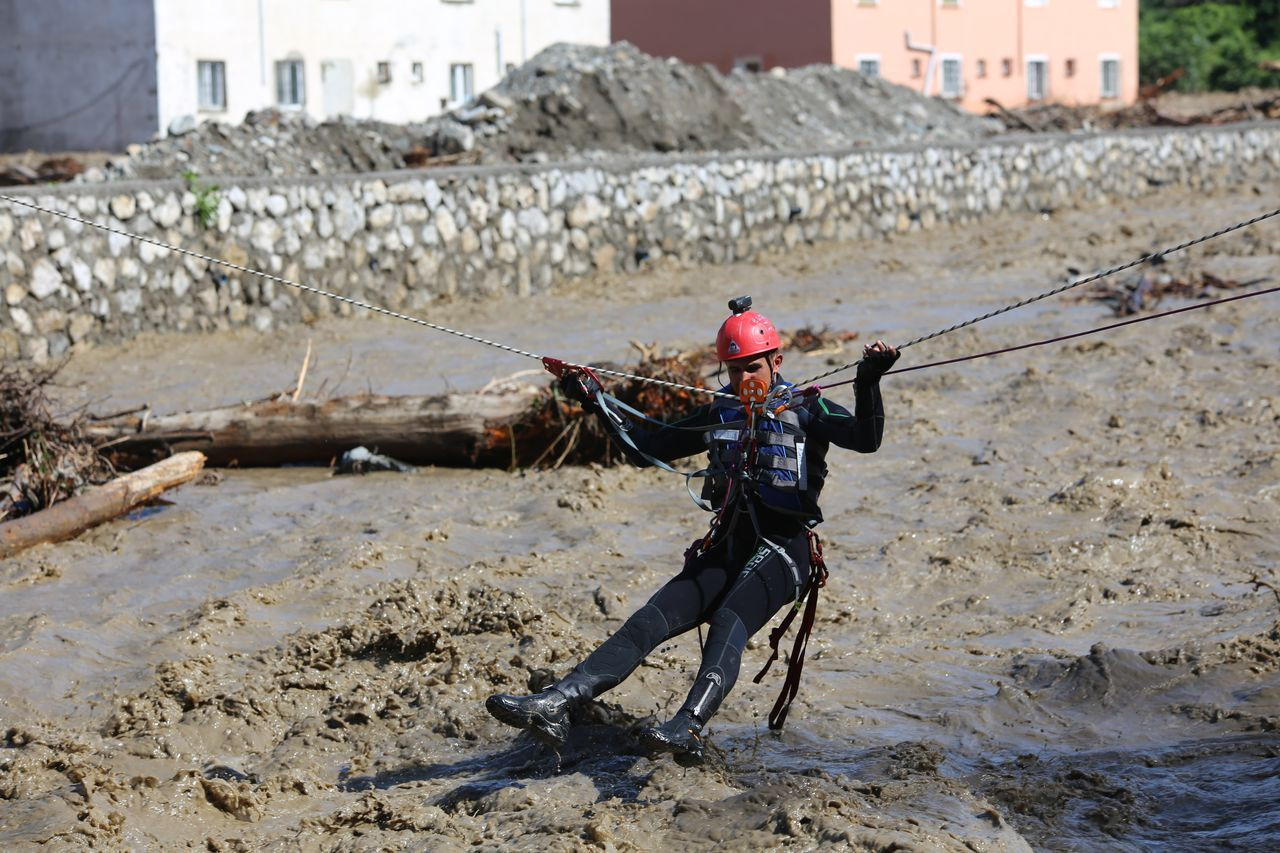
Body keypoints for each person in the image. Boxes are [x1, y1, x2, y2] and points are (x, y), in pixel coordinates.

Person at [486, 296, 898, 764]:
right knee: (650, 618)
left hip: (786, 552)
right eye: (734, 369)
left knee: (728, 622)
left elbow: (867, 438)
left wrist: (869, 380)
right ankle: (556, 703)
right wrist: (595, 400)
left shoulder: (810, 408)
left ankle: (688, 726)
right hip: (728, 544)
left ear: (776, 361)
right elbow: (642, 448)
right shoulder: (717, 413)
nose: (744, 379)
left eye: (753, 367)